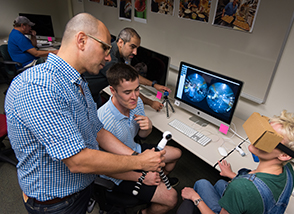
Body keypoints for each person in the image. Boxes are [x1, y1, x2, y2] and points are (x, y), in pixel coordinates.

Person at [5, 13, 166, 214]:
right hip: (56, 203)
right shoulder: (40, 87)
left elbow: (97, 131)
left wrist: (136, 155)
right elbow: (77, 160)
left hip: (80, 188)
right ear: (81, 41)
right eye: (105, 48)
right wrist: (139, 162)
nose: (108, 57)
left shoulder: (79, 82)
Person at [178, 110, 294, 214]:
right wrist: (232, 174)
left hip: (242, 194)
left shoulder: (241, 188)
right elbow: (261, 190)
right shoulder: (288, 170)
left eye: (268, 138)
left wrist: (195, 197)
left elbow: (246, 189)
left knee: (201, 183)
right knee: (221, 183)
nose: (256, 138)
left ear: (284, 155)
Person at [97, 63, 182, 214]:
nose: (135, 96)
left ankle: (158, 180)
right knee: (171, 198)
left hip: (134, 150)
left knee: (176, 153)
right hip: (117, 169)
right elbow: (104, 168)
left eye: (137, 89)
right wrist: (141, 178)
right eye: (128, 92)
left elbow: (141, 136)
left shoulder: (137, 104)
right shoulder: (103, 121)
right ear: (112, 91)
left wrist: (148, 128)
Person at [83, 27, 171, 110]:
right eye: (132, 47)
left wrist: (154, 84)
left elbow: (129, 74)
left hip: (95, 95)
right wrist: (151, 103)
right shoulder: (110, 58)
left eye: (137, 48)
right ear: (121, 42)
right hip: (85, 98)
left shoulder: (117, 53)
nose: (135, 52)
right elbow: (128, 86)